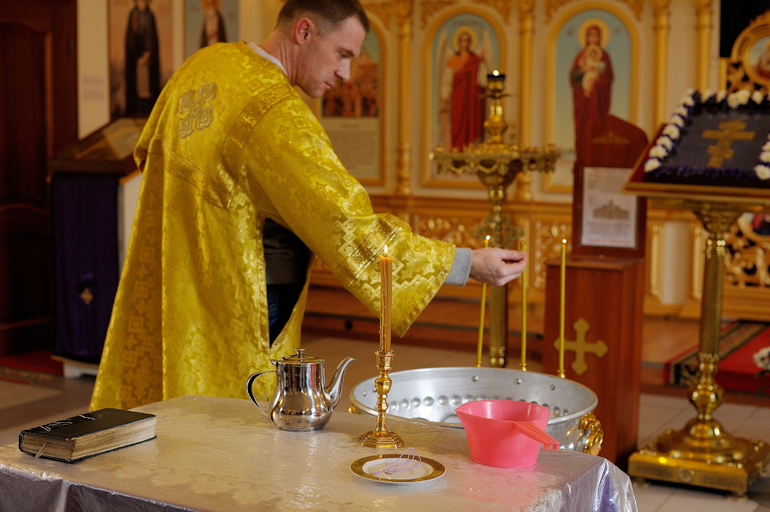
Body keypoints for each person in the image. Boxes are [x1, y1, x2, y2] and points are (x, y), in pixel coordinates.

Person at [90, 0, 526, 411]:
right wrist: (466, 263)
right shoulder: (276, 112)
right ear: (304, 31)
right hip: (238, 309)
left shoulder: (203, 64)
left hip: (174, 287)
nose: (347, 74)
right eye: (342, 54)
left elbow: (146, 152)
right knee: (233, 433)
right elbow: (347, 225)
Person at [440, 30, 488, 150]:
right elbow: (447, 81)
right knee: (457, 125)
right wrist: (444, 98)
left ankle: (472, 148)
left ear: (470, 42)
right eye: (462, 40)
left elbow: (482, 80)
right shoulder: (453, 59)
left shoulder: (475, 59)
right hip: (458, 97)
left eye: (467, 40)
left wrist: (482, 61)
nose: (464, 43)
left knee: (472, 125)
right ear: (459, 42)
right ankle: (456, 149)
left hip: (472, 100)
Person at [570, 24, 613, 153]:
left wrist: (596, 82)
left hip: (598, 99)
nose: (593, 38)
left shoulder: (604, 56)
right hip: (583, 99)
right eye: (590, 35)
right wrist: (583, 70)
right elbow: (574, 77)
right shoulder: (581, 56)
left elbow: (608, 77)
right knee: (583, 125)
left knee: (598, 125)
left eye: (595, 35)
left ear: (600, 37)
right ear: (586, 37)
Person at [124, 0, 161, 116]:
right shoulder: (133, 14)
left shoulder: (150, 15)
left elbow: (152, 37)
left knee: (148, 91)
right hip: (136, 60)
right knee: (137, 90)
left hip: (149, 59)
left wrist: (148, 53)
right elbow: (130, 39)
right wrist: (137, 56)